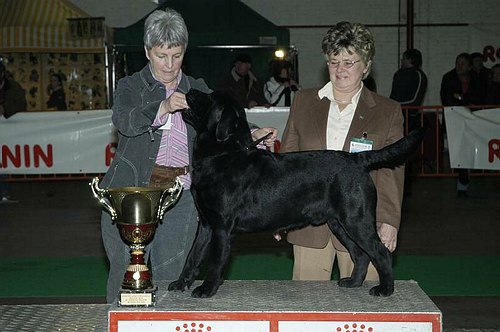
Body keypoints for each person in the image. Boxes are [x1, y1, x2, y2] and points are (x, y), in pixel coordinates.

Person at [99, 8, 277, 303]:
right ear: (147, 51)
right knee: (125, 281)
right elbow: (125, 122)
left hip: (181, 197)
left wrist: (253, 136)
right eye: (161, 55)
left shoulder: (197, 88)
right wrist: (163, 107)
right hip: (131, 193)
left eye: (177, 55)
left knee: (173, 283)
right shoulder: (129, 87)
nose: (170, 65)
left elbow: (225, 122)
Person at [282, 22, 404, 282]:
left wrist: (388, 220)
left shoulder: (388, 111)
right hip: (307, 223)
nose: (340, 69)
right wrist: (280, 210)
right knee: (307, 311)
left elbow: (391, 172)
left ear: (366, 65)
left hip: (361, 223)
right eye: (334, 61)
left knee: (364, 312)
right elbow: (287, 163)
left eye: (349, 62)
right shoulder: (303, 101)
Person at [440, 53, 482, 197]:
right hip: (455, 122)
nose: (459, 65)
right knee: (461, 150)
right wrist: (466, 101)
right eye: (458, 62)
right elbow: (447, 99)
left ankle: (464, 180)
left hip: (472, 121)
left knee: (469, 150)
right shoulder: (448, 78)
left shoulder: (476, 79)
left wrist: (460, 97)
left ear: (469, 66)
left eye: (463, 63)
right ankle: (462, 183)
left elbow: (480, 97)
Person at [0, 60, 27, 203]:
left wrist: (5, 110)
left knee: (5, 161)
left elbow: (22, 104)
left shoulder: (14, 88)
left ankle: (4, 192)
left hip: (9, 131)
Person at [390, 48, 428, 130]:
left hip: (410, 115)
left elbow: (416, 99)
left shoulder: (418, 75)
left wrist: (396, 106)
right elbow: (394, 94)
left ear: (410, 60)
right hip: (398, 114)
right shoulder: (399, 74)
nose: (402, 60)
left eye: (404, 58)